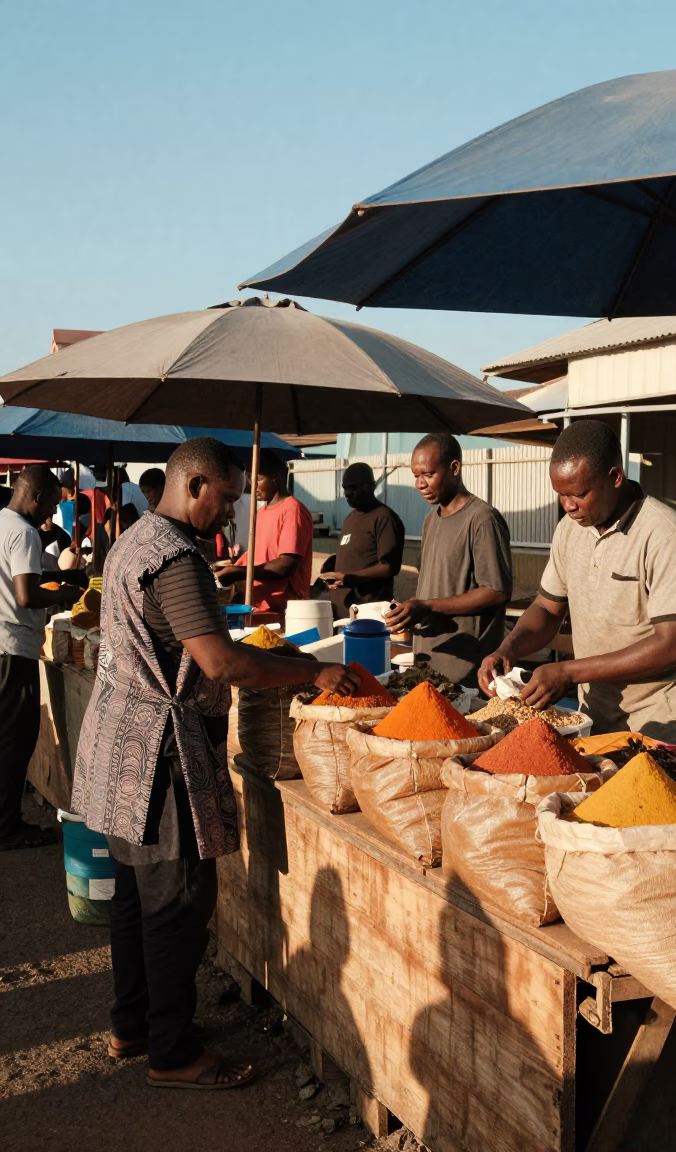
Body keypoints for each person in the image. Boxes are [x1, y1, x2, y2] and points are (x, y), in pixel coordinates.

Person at [71, 437, 359, 1089]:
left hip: (116, 744)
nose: (233, 514)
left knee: (133, 896)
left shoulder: (133, 538)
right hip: (156, 756)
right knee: (174, 904)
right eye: (227, 499)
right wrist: (313, 669)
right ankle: (171, 1054)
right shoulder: (175, 558)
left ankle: (133, 1024)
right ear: (195, 485)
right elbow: (221, 662)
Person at [479, 421, 676, 751]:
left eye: (579, 494)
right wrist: (509, 647)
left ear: (615, 477)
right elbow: (547, 608)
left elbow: (675, 645)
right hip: (597, 723)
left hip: (666, 732)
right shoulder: (568, 530)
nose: (568, 505)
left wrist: (569, 672)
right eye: (561, 495)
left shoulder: (666, 535)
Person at [0, 466, 86, 850]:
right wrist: (64, 594)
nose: (52, 512)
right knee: (14, 739)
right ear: (35, 498)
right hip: (13, 647)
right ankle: (7, 829)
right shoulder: (23, 531)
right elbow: (26, 596)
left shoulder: (1, 522)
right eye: (50, 503)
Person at [385, 433, 512, 688]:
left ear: (454, 468)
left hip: (466, 670)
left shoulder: (482, 519)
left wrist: (427, 606)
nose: (420, 484)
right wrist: (410, 609)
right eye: (416, 476)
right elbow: (433, 584)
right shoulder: (431, 520)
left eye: (428, 474)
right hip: (428, 661)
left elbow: (497, 592)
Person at [216, 449, 313, 620]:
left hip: (284, 610)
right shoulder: (262, 512)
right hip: (258, 607)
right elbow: (258, 553)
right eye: (251, 481)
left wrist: (237, 572)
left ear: (275, 476)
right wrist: (228, 568)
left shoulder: (292, 510)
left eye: (258, 480)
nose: (254, 487)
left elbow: (285, 565)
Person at [321, 462, 405, 619]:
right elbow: (357, 553)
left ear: (371, 486)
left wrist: (351, 578)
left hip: (368, 612)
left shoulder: (384, 518)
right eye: (345, 488)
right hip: (341, 611)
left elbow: (389, 567)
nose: (347, 493)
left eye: (353, 488)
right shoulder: (350, 519)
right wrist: (333, 562)